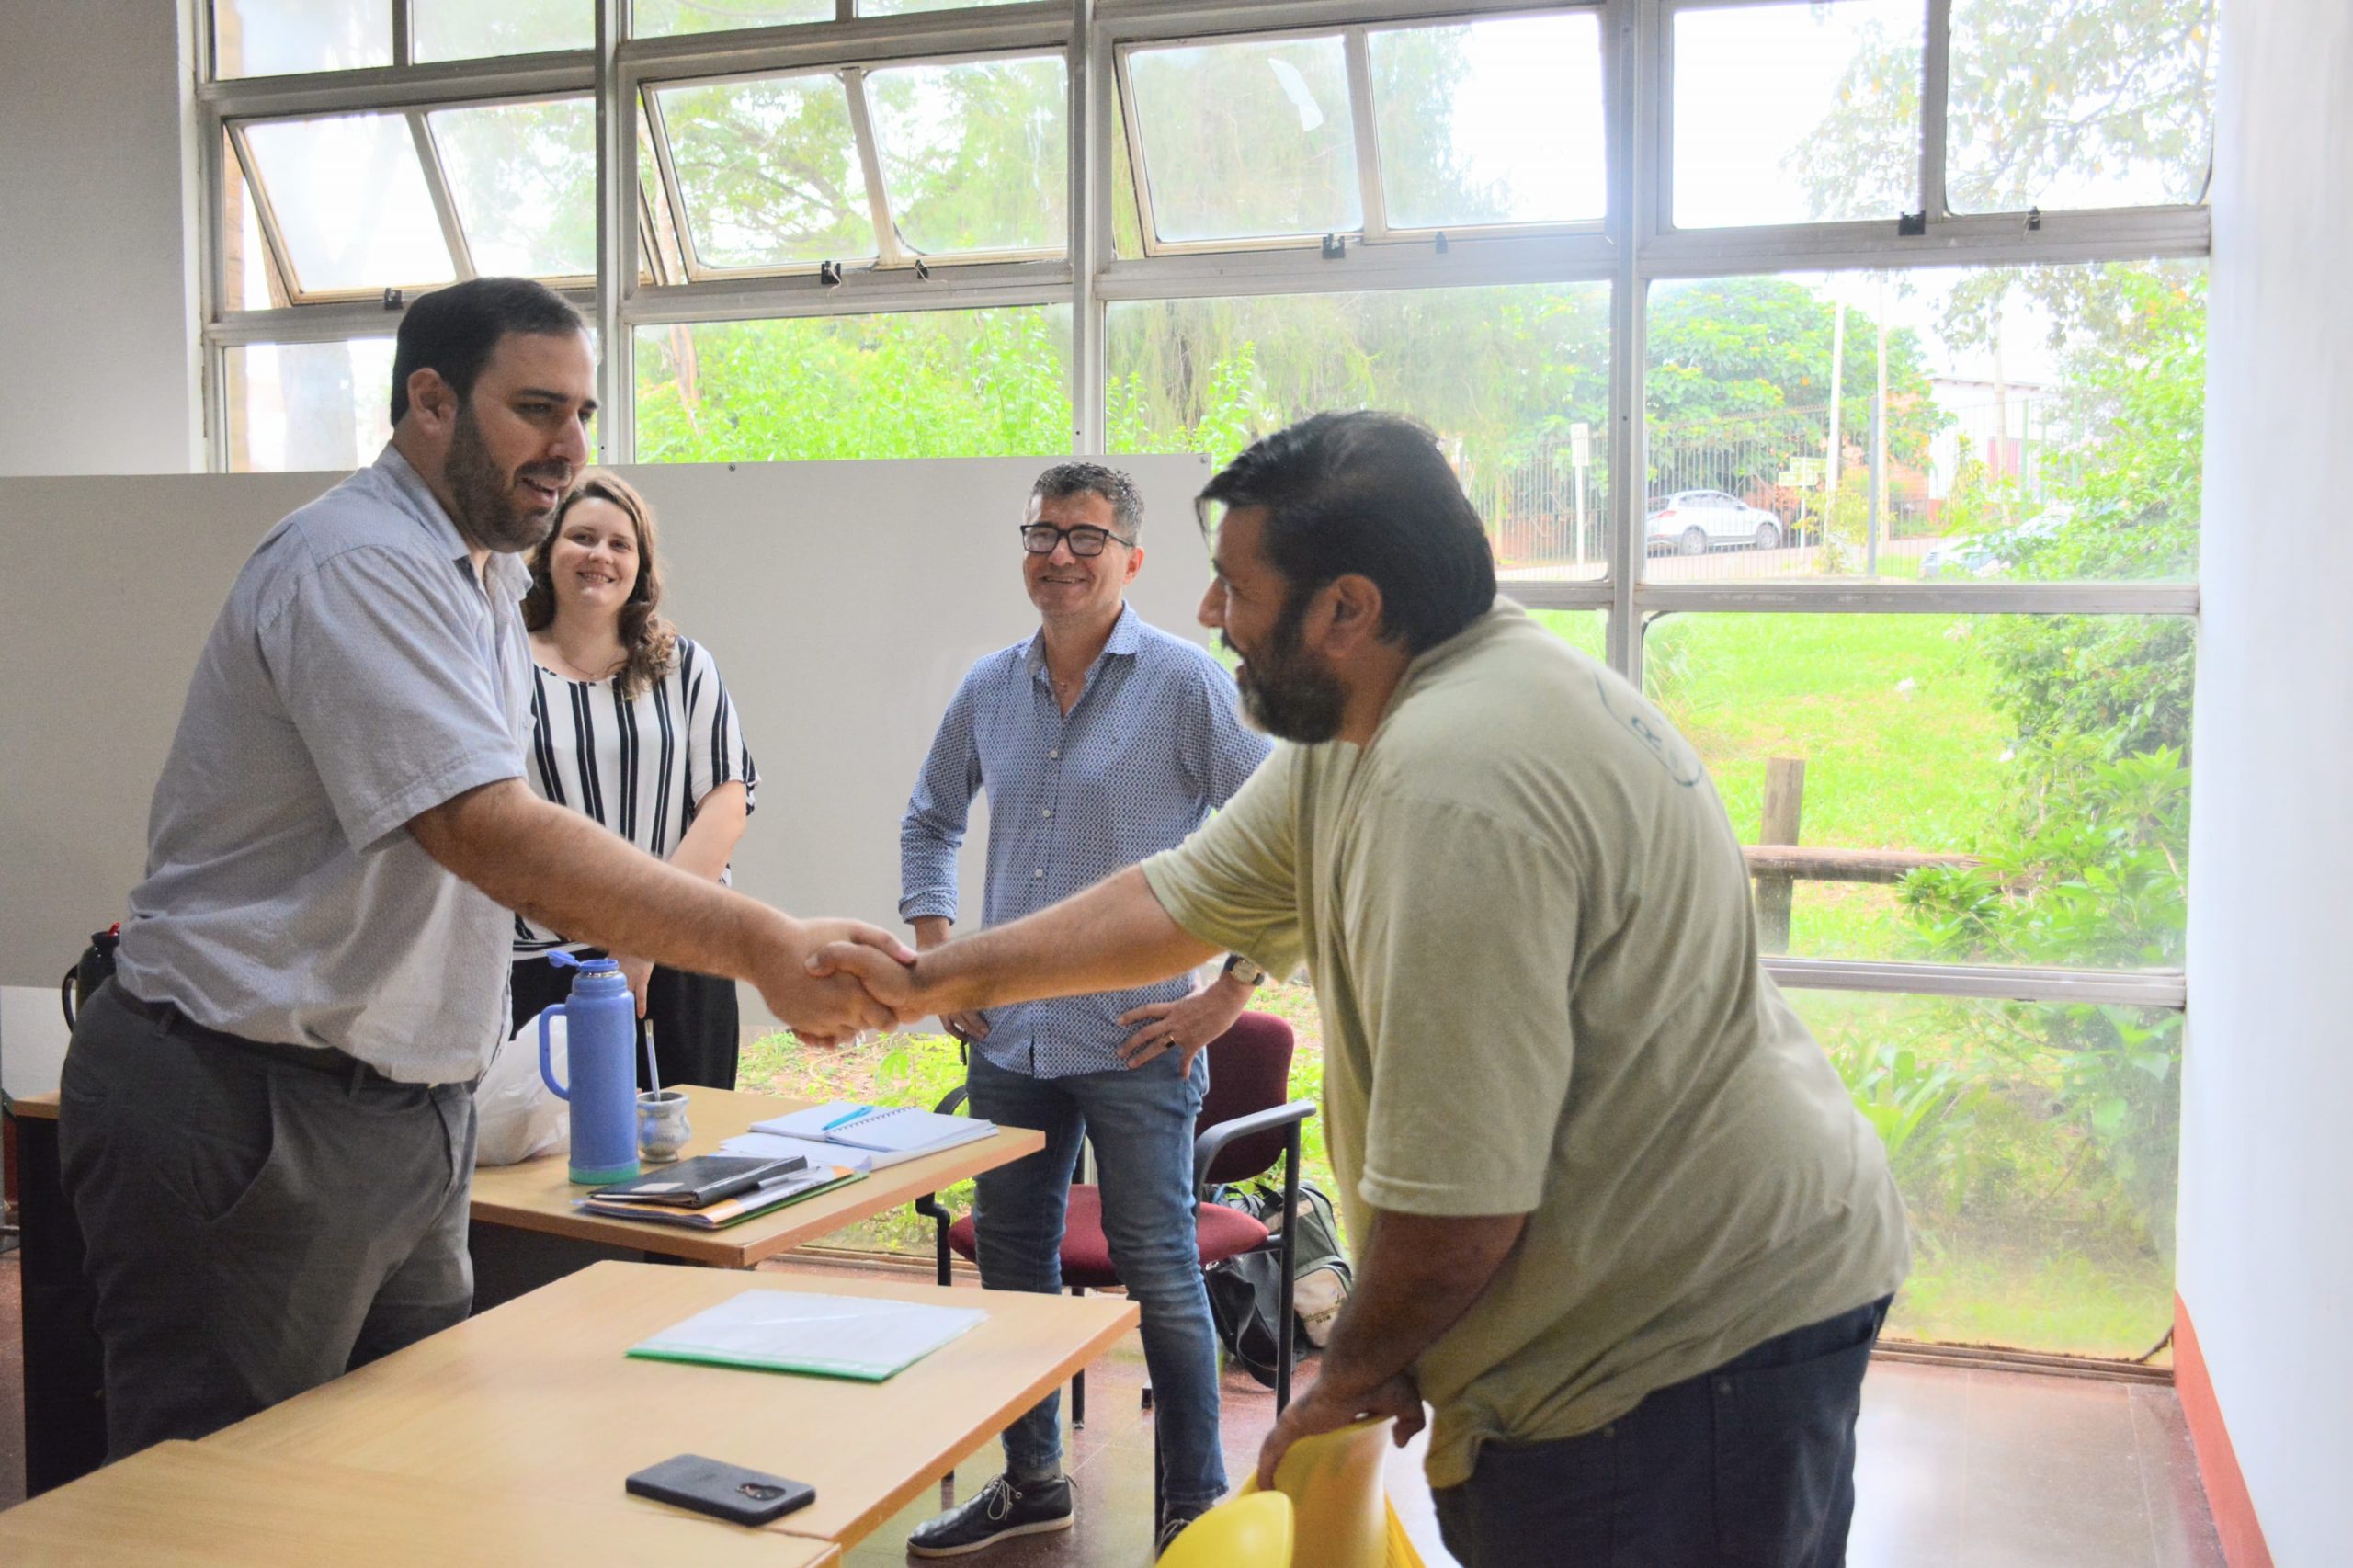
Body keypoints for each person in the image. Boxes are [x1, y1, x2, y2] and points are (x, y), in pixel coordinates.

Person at [817, 412, 1911, 1568]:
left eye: (1235, 587)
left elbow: (1459, 1202)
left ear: (1346, 608)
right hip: (1663, 1297)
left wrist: (1336, 1380)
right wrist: (930, 978)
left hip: (1685, 1340)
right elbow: (1175, 898)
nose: (1207, 616)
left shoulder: (1451, 786)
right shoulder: (1375, 720)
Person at [59, 277, 900, 1460]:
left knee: (414, 1473)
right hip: (250, 1099)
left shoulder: (486, 577)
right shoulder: (357, 564)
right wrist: (762, 941)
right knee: (235, 1504)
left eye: (586, 416)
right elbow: (485, 829)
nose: (570, 452)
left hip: (409, 1104)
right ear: (430, 401)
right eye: (538, 410)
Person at [898, 462, 1272, 1558]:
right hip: (1010, 1037)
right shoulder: (988, 686)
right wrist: (938, 957)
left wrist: (1227, 992)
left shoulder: (1184, 683)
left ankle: (1192, 1507)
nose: (1061, 554)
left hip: (1135, 1035)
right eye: (1044, 533)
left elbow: (1280, 840)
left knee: (1161, 1269)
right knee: (1014, 1263)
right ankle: (1034, 1484)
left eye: (1086, 537)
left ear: (1131, 559)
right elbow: (929, 822)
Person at [509, 470, 757, 1091]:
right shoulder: (500, 664)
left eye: (620, 544)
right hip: (546, 969)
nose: (601, 556)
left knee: (688, 1168)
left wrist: (645, 938)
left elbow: (726, 803)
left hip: (683, 960)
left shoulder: (685, 666)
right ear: (547, 551)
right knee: (555, 1177)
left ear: (641, 565)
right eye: (582, 537)